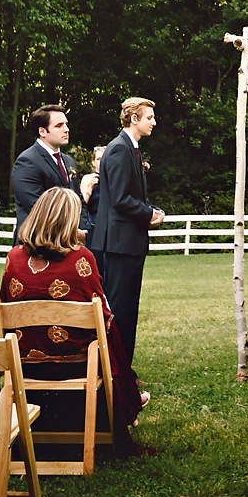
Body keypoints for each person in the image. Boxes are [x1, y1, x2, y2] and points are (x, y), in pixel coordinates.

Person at [0, 188, 148, 455]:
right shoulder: (82, 259)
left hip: (24, 363)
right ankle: (127, 405)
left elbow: (5, 305)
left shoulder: (14, 258)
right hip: (77, 363)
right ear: (69, 222)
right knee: (110, 334)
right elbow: (100, 316)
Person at [89, 97, 165, 370]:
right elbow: (120, 199)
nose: (153, 122)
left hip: (127, 242)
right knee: (120, 311)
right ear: (134, 119)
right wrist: (148, 215)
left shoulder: (130, 148)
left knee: (128, 310)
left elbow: (131, 196)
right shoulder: (120, 149)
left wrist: (152, 209)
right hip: (119, 244)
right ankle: (115, 373)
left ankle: (123, 371)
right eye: (149, 118)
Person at [11, 104, 75, 224]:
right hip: (38, 239)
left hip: (70, 238)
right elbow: (35, 207)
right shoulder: (27, 161)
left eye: (66, 124)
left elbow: (78, 199)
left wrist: (80, 228)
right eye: (59, 126)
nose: (66, 129)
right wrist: (69, 230)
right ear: (42, 131)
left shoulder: (69, 162)